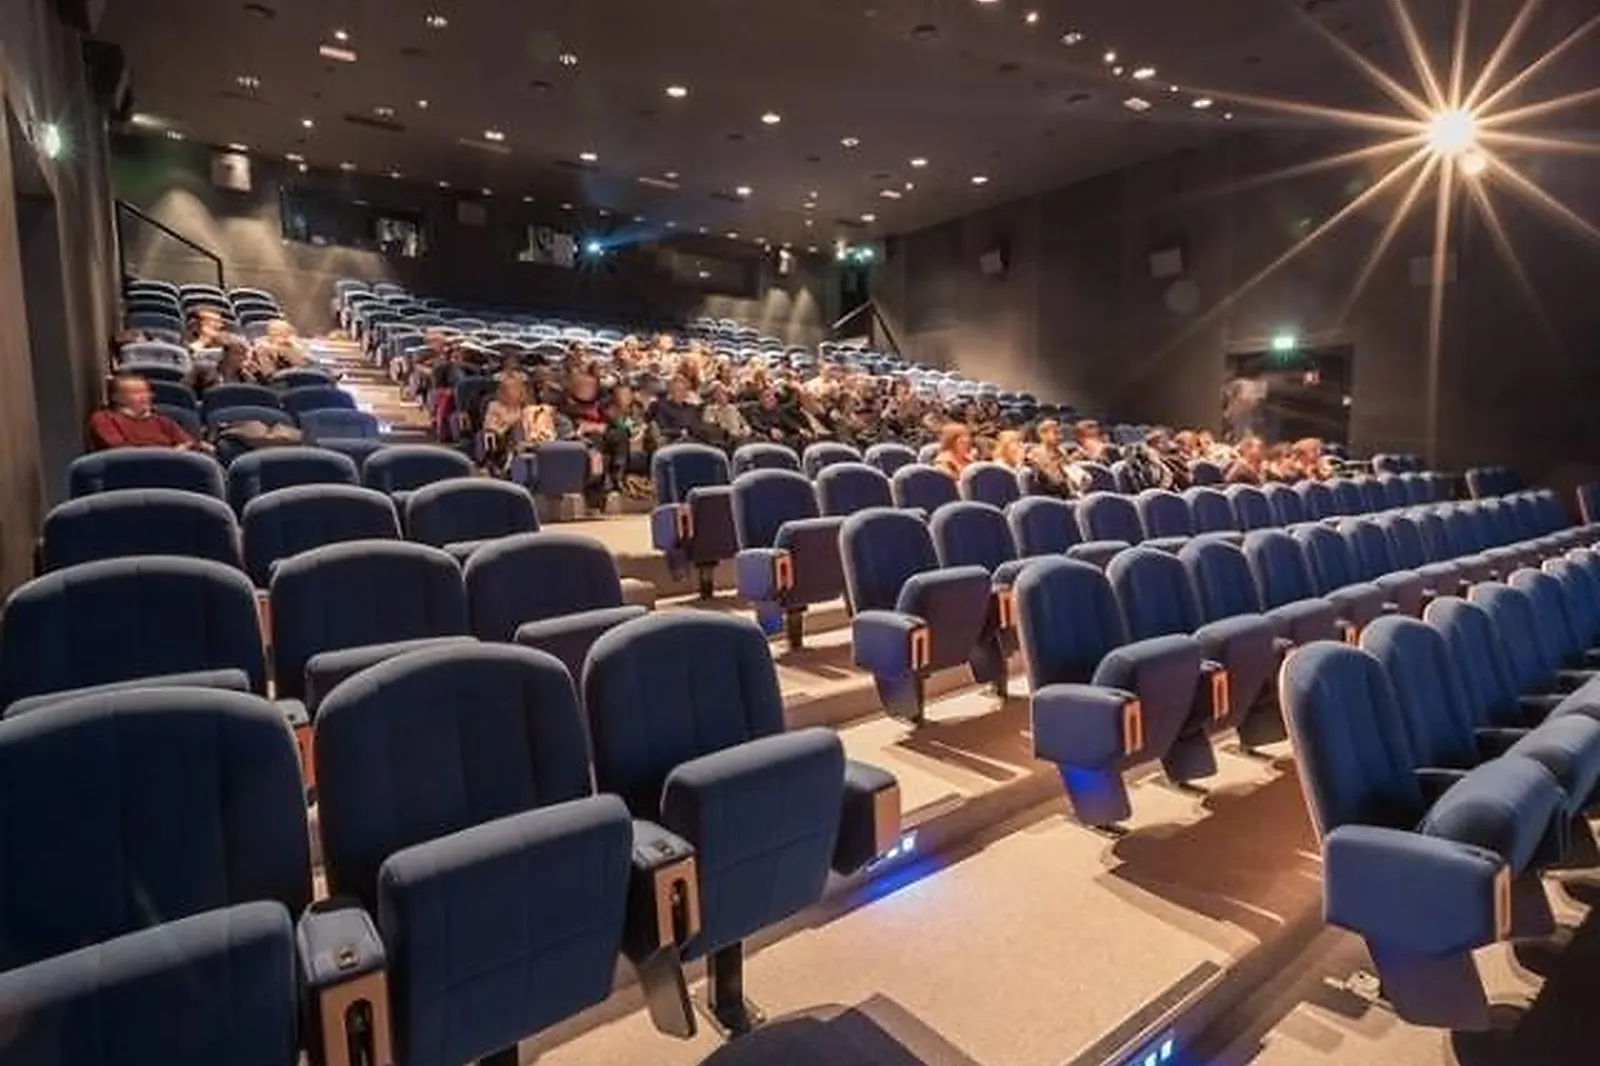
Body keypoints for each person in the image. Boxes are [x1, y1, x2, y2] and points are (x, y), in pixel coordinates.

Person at [88, 374, 207, 451]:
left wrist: (184, 448)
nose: (145, 397)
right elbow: (118, 449)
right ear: (116, 397)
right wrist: (169, 452)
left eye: (146, 392)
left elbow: (188, 442)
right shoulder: (104, 418)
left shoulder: (162, 421)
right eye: (136, 393)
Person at [481, 375, 556, 476]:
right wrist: (511, 425)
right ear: (502, 392)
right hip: (504, 441)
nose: (512, 392)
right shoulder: (494, 406)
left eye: (515, 389)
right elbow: (489, 428)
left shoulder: (526, 407)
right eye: (508, 389)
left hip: (527, 439)